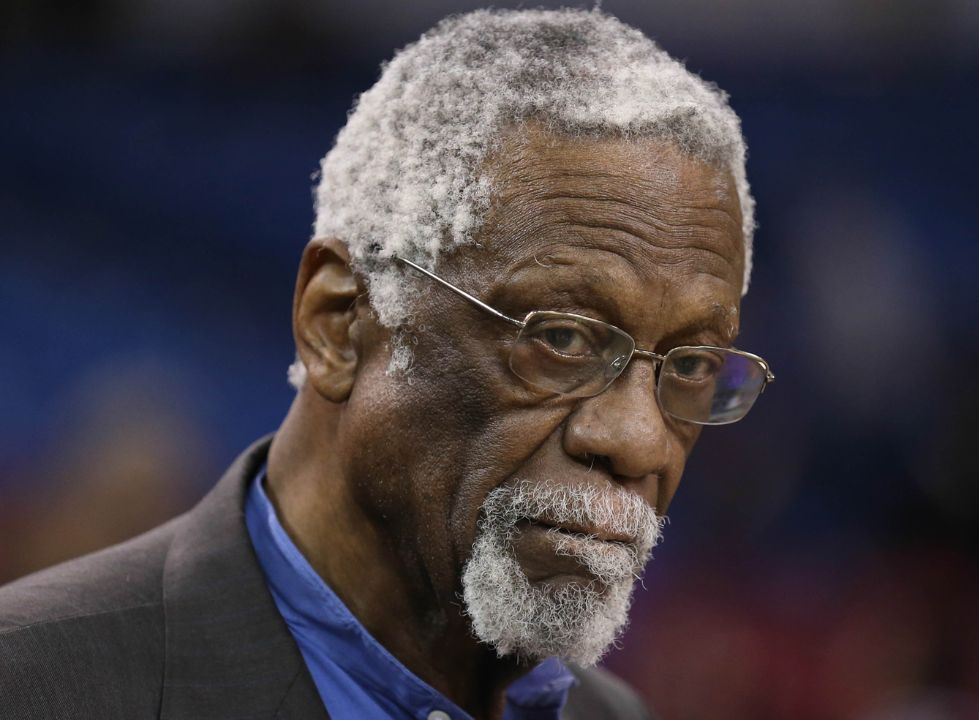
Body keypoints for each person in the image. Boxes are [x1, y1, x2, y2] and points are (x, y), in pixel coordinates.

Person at [0, 8, 774, 720]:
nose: (639, 441)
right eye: (563, 339)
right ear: (339, 323)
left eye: (692, 363)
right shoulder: (35, 686)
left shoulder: (611, 716)